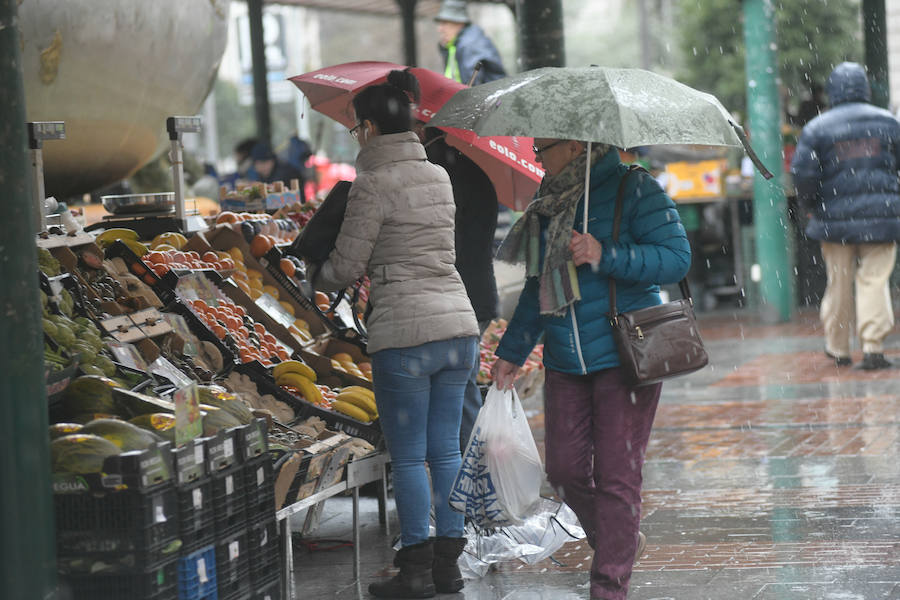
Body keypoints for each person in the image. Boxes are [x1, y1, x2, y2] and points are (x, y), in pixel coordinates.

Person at [491, 139, 691, 600]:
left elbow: (676, 259)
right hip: (564, 360)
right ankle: (617, 539)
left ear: (577, 144)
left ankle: (609, 586)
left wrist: (607, 254)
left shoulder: (634, 188)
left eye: (545, 147)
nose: (538, 156)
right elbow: (538, 285)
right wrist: (514, 350)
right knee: (563, 470)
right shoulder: (548, 203)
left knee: (619, 474)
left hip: (626, 354)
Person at [312, 70, 480, 598]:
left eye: (355, 129)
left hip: (405, 335)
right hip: (457, 329)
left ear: (367, 128)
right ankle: (448, 567)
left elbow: (347, 266)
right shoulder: (438, 176)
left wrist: (314, 272)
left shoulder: (373, 184)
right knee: (446, 452)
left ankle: (413, 572)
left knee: (408, 458)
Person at [790, 62, 900, 371]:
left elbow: (803, 173)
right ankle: (873, 346)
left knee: (838, 283)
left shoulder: (818, 127)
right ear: (864, 88)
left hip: (833, 220)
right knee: (875, 281)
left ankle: (838, 348)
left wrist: (809, 204)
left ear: (833, 90)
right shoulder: (889, 123)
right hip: (882, 218)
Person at [416, 124, 499, 453]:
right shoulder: (474, 171)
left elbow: (450, 245)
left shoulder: (436, 175)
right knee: (463, 392)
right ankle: (472, 480)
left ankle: (467, 482)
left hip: (452, 298)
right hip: (478, 296)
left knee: (456, 398)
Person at [435, 0, 506, 86]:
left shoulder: (469, 44)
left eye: (444, 23)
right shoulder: (458, 43)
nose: (440, 29)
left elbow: (471, 86)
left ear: (459, 22)